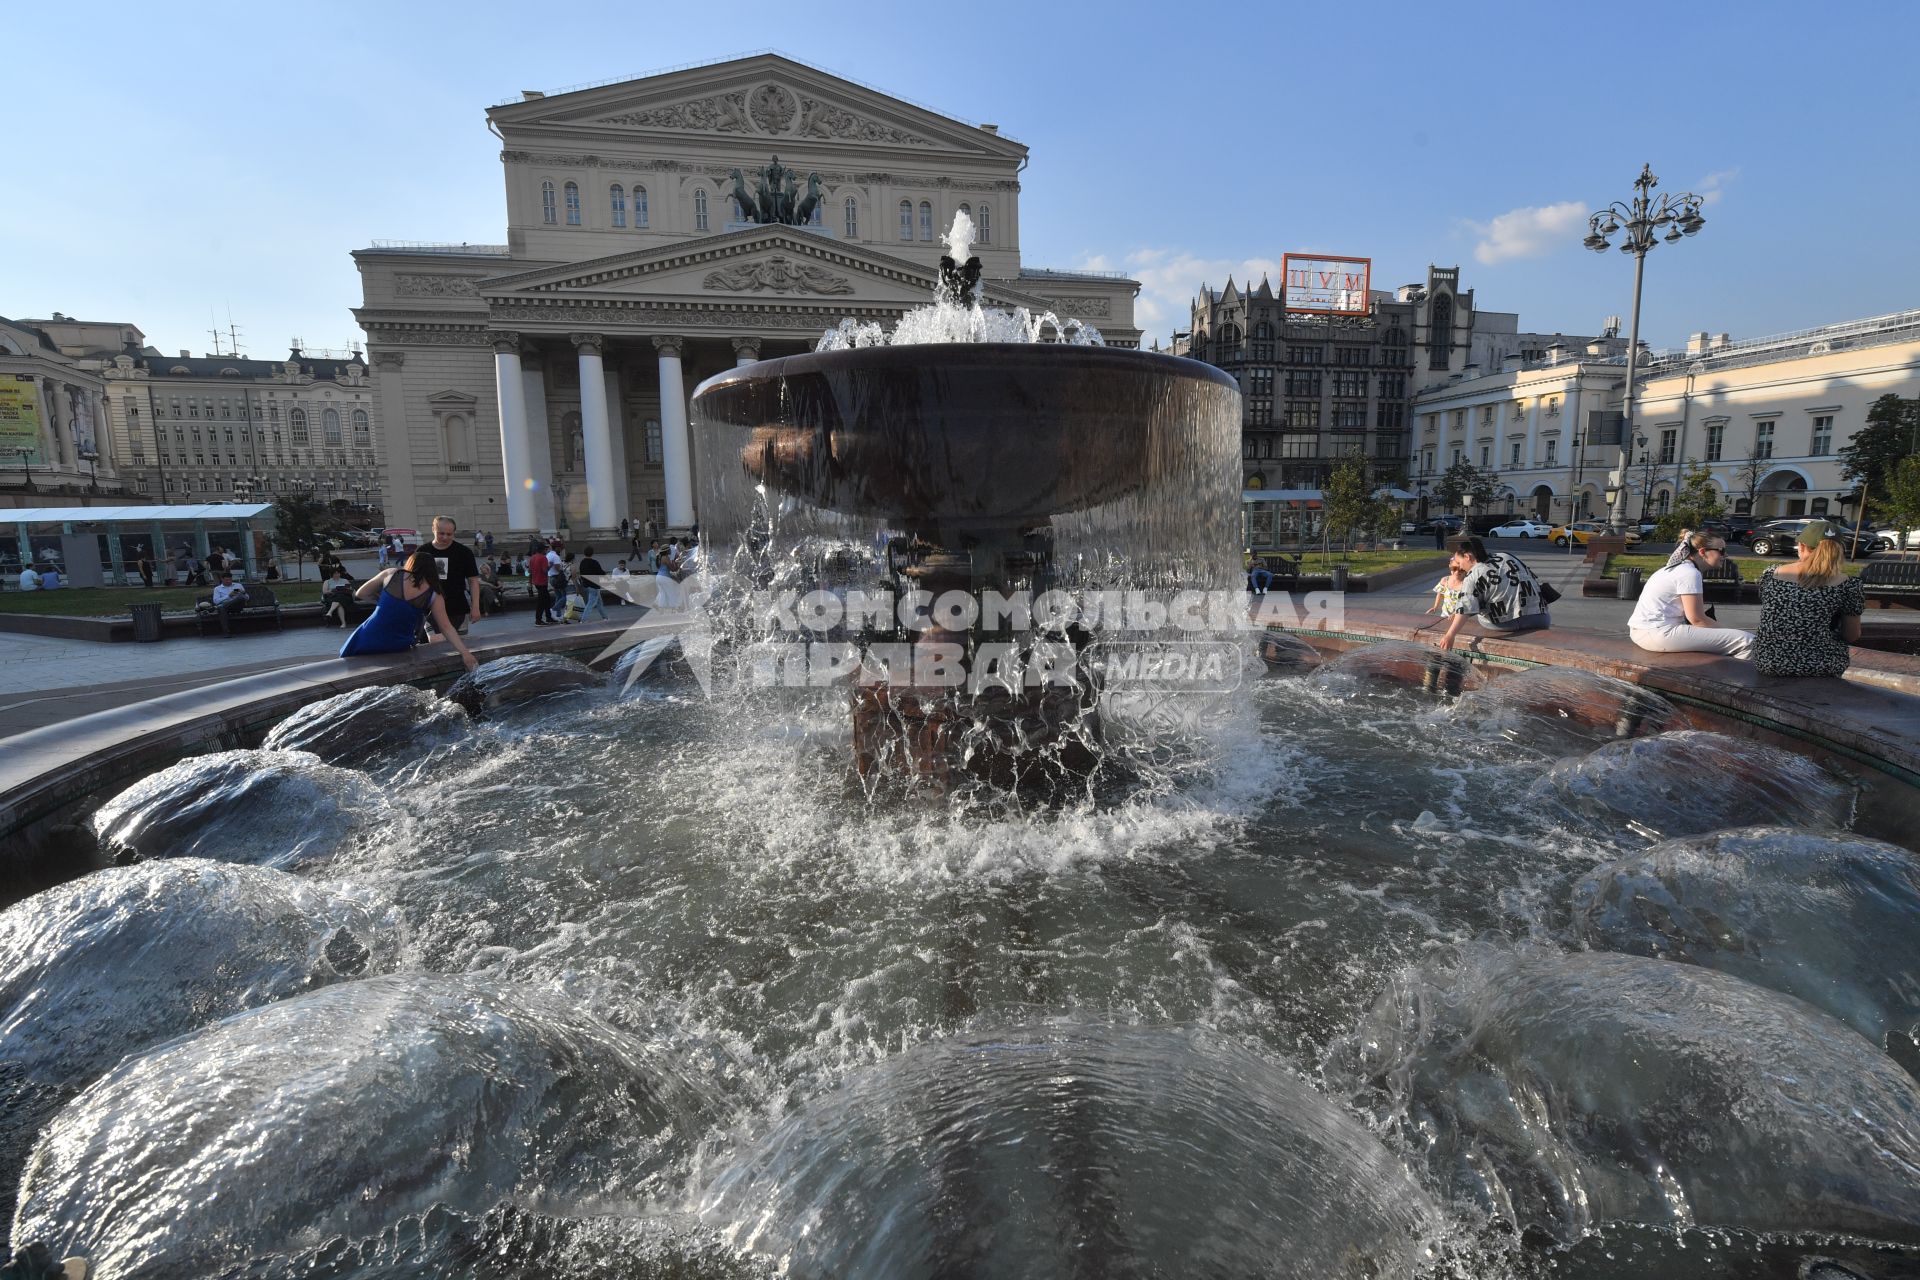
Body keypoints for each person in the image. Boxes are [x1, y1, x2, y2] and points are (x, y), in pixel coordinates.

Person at [1753, 520, 1866, 678]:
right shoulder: (1848, 585)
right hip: (1821, 666)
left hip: (1769, 662)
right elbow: (1852, 635)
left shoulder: (1772, 574)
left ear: (1801, 546)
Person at [339, 551, 479, 670]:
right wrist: (465, 653)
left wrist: (385, 602)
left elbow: (361, 593)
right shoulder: (434, 594)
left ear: (410, 563)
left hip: (367, 637)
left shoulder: (390, 574)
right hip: (398, 643)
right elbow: (446, 627)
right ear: (432, 570)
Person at [1628, 530, 1754, 658]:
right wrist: (1726, 632)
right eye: (1721, 550)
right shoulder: (1689, 573)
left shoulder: (1674, 568)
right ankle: (1732, 678)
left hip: (1643, 632)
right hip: (1659, 633)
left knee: (1729, 639)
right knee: (1748, 641)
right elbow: (1697, 619)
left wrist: (1724, 634)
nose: (1725, 555)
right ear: (1703, 552)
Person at [1433, 536, 1554, 651]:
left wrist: (1450, 635)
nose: (1460, 567)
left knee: (1478, 609)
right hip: (1540, 617)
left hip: (1506, 623)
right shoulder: (1507, 556)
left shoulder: (1473, 574)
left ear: (1467, 557)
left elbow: (1466, 608)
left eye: (1459, 563)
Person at [423, 515, 483, 637]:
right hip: (429, 609)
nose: (445, 537)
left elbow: (473, 581)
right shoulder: (422, 552)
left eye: (449, 534)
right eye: (441, 533)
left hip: (458, 608)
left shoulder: (464, 552)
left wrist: (475, 607)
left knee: (458, 647)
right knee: (434, 647)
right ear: (433, 530)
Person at [577, 546, 609, 620]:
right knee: (590, 603)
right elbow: (600, 572)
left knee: (599, 603)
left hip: (587, 585)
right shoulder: (594, 562)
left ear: (584, 553)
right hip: (594, 585)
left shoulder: (582, 562)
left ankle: (605, 617)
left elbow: (581, 573)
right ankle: (583, 619)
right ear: (592, 553)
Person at [528, 540, 554, 626]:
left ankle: (549, 617)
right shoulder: (543, 558)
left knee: (546, 600)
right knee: (541, 602)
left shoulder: (532, 558)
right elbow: (545, 570)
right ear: (542, 550)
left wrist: (530, 583)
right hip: (542, 582)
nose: (546, 550)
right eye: (545, 549)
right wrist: (550, 565)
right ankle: (538, 620)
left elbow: (530, 571)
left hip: (536, 582)